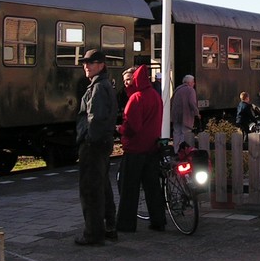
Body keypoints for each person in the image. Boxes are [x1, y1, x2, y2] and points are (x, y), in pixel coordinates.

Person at [74, 49, 118, 246]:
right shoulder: (102, 85)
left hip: (94, 144)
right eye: (85, 63)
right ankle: (109, 226)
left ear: (101, 64)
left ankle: (93, 233)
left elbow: (95, 117)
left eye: (90, 63)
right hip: (102, 143)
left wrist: (89, 139)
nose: (86, 66)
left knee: (90, 190)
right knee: (103, 186)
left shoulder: (99, 88)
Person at [116, 64, 166, 233]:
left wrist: (120, 130)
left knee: (128, 188)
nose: (126, 84)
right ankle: (158, 220)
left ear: (136, 80)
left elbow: (132, 127)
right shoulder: (155, 96)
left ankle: (126, 224)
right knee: (153, 188)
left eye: (129, 80)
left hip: (135, 150)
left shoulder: (136, 98)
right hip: (152, 148)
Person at [171, 74, 200, 149]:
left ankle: (176, 150)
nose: (194, 84)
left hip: (176, 117)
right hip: (186, 117)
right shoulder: (191, 90)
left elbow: (172, 101)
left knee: (176, 133)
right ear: (190, 82)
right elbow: (192, 103)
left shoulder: (177, 89)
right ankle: (183, 152)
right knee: (185, 134)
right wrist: (197, 113)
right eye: (193, 82)